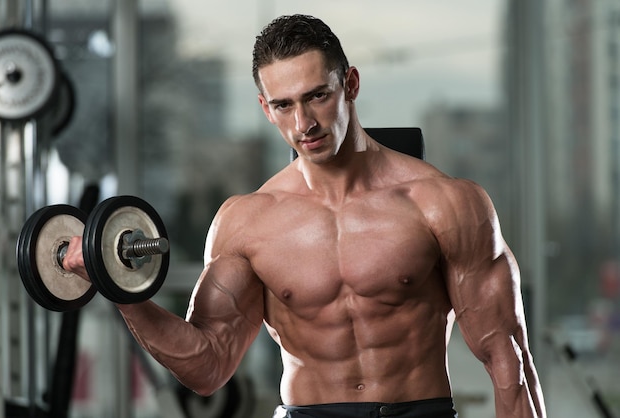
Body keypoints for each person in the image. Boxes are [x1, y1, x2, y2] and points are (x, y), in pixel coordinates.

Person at [64, 14, 547, 418]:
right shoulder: (247, 223)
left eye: (318, 95)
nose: (304, 124)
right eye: (284, 105)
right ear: (265, 108)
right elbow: (207, 366)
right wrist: (119, 290)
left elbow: (508, 358)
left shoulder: (445, 203)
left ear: (350, 84)